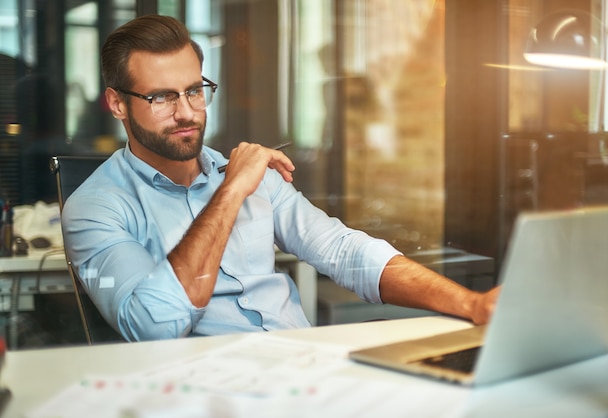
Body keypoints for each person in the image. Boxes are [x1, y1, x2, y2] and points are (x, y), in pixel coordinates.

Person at [62, 14, 499, 342]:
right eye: (161, 97)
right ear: (117, 104)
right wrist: (231, 191)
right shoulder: (95, 207)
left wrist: (472, 304)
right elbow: (154, 326)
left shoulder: (253, 177)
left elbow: (341, 250)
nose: (187, 113)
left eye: (195, 90)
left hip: (302, 375)